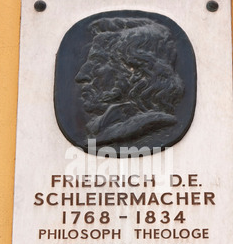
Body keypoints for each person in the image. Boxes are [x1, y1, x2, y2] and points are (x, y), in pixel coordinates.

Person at [75, 17, 184, 147]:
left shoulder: (148, 124)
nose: (81, 76)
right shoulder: (100, 126)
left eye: (97, 63)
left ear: (135, 73)